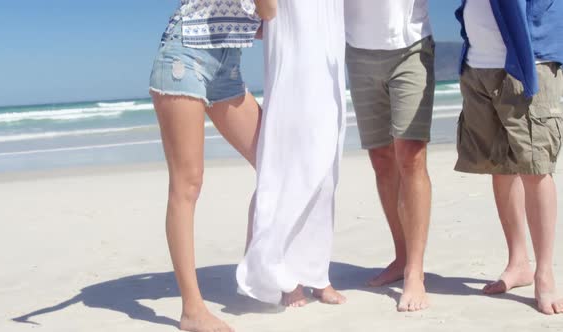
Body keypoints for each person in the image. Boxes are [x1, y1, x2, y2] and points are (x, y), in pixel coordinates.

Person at [148, 1, 272, 331]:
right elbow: (270, 11)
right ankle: (192, 309)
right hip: (185, 57)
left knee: (276, 165)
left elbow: (259, 24)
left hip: (226, 70)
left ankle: (258, 269)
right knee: (187, 183)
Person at [455, 0, 563, 315]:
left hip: (529, 56)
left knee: (535, 168)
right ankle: (518, 262)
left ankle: (544, 272)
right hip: (479, 60)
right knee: (500, 167)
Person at [237, 0, 347, 307]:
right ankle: (281, 273)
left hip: (329, 51)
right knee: (294, 163)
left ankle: (317, 273)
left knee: (327, 166)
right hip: (294, 53)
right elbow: (264, 11)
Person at [344, 0, 435, 312]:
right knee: (382, 160)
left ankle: (415, 271)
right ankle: (401, 256)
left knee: (411, 155)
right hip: (357, 49)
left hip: (410, 45)